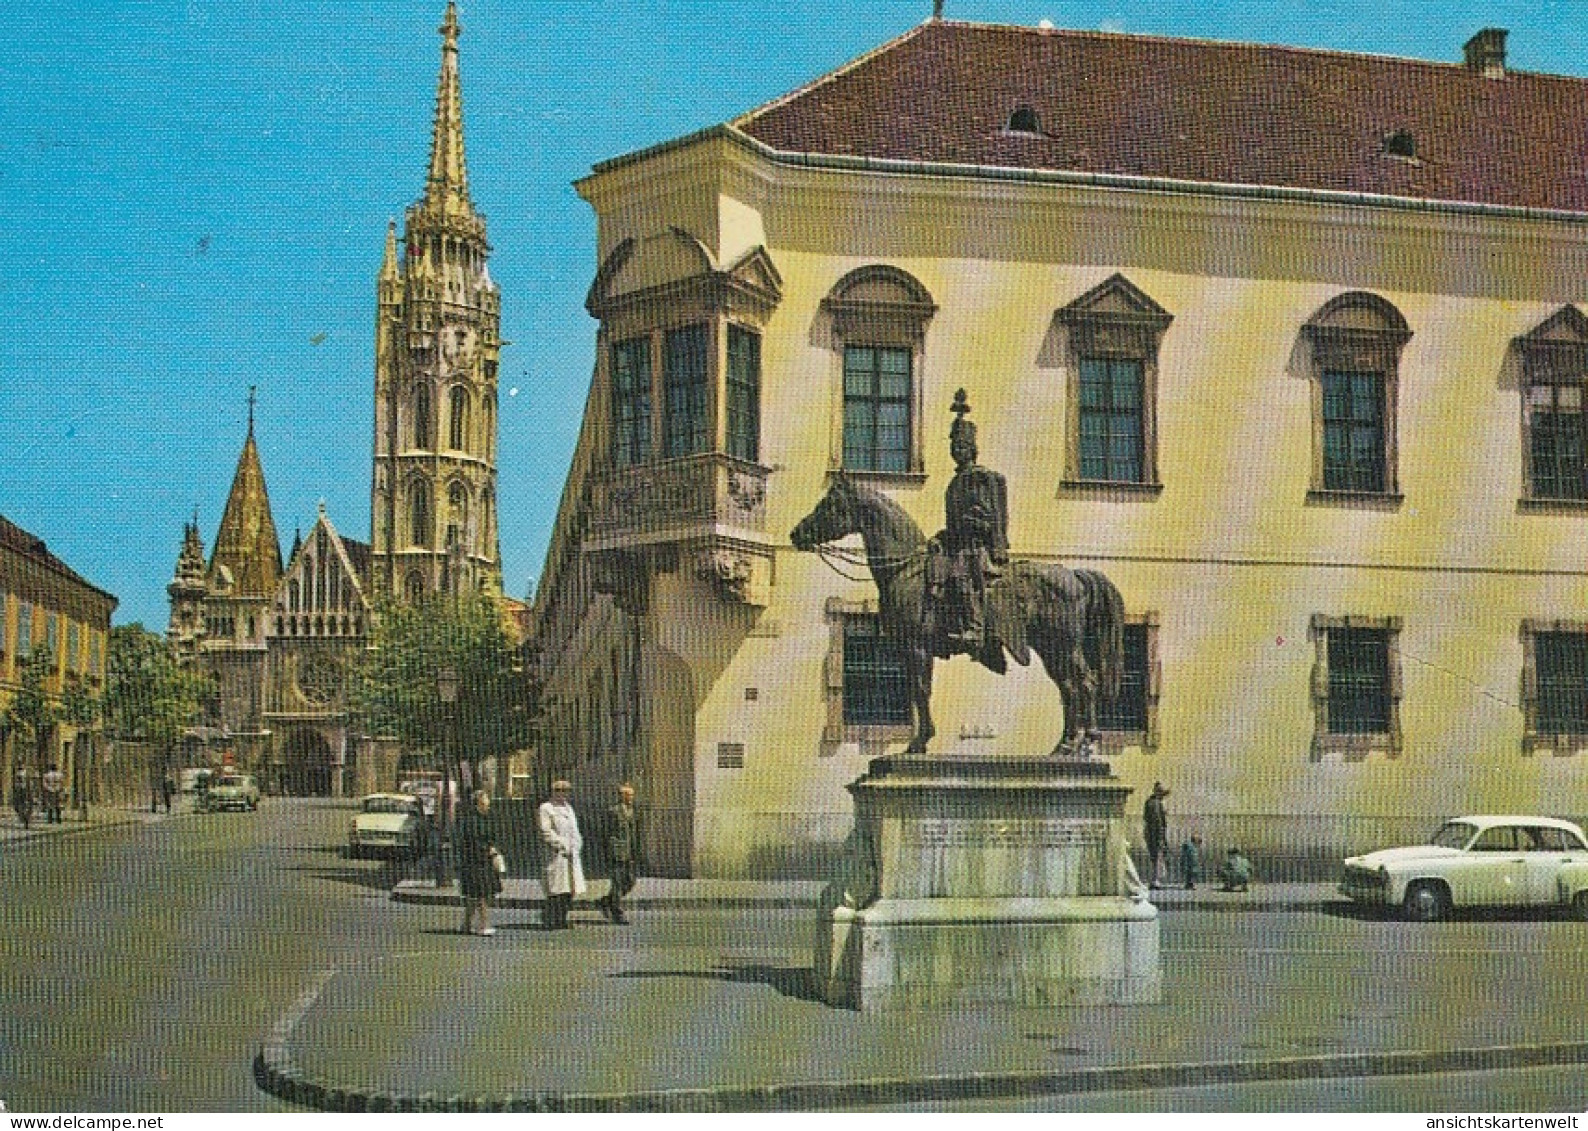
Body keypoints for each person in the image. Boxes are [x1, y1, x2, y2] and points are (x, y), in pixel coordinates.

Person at [927, 389, 1009, 666]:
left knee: (962, 577)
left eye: (962, 448)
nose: (957, 453)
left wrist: (973, 523)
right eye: (954, 449)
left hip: (976, 546)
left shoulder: (980, 478)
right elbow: (952, 525)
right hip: (959, 543)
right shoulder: (953, 485)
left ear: (972, 450)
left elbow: (987, 516)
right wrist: (940, 537)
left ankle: (975, 628)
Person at [537, 779, 586, 929]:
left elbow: (575, 830)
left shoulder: (568, 809)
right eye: (558, 790)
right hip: (556, 854)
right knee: (555, 889)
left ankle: (562, 918)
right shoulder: (546, 808)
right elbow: (546, 832)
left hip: (571, 855)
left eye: (565, 791)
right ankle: (550, 918)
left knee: (569, 889)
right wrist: (562, 844)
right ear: (553, 792)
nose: (562, 794)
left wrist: (577, 844)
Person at [453, 789, 502, 936]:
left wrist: (493, 848)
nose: (488, 803)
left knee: (475, 895)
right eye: (486, 799)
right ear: (478, 802)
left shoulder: (486, 818)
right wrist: (488, 850)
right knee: (482, 894)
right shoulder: (472, 820)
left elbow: (492, 836)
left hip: (483, 860)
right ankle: (484, 925)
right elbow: (472, 840)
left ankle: (466, 925)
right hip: (475, 861)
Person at [602, 782, 642, 924]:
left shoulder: (634, 811)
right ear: (621, 796)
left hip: (630, 852)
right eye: (628, 795)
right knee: (617, 883)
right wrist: (610, 850)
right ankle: (617, 913)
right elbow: (606, 832)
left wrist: (636, 850)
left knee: (630, 881)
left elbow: (635, 832)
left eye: (632, 795)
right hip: (616, 852)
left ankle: (606, 901)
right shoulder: (613, 811)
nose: (631, 797)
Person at [1143, 781, 1169, 889]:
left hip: (1151, 834)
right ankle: (1155, 881)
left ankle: (1154, 880)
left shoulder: (1150, 802)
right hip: (1155, 835)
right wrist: (1161, 838)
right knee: (1157, 858)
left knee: (1155, 858)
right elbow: (1157, 822)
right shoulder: (1155, 804)